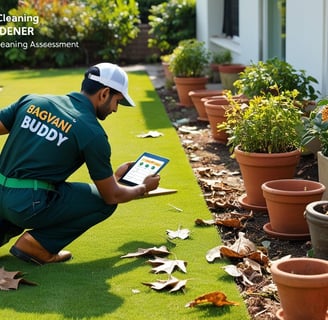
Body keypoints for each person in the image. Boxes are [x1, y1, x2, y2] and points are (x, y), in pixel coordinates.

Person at [0, 62, 160, 265]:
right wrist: (143, 187)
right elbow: (111, 196)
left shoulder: (32, 101)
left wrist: (115, 178)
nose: (115, 109)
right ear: (104, 93)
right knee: (103, 204)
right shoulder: (93, 133)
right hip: (26, 207)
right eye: (117, 101)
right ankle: (38, 245)